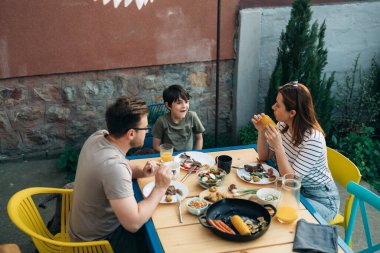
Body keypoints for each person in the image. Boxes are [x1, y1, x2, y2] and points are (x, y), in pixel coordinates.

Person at [68, 97, 172, 253]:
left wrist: (142, 172)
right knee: (160, 237)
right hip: (96, 243)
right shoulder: (114, 167)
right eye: (145, 128)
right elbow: (133, 223)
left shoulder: (99, 137)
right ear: (131, 133)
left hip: (84, 226)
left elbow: (122, 163)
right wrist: (160, 187)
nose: (148, 131)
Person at [252, 81, 340, 222]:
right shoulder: (282, 125)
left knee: (277, 213)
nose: (273, 107)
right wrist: (262, 131)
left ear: (292, 112)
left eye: (278, 105)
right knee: (259, 203)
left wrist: (279, 146)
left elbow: (291, 181)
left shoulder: (313, 140)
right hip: (293, 192)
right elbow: (264, 156)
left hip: (320, 200)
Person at [152, 84, 205, 152]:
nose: (184, 106)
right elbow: (156, 146)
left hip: (188, 158)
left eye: (186, 102)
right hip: (170, 159)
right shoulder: (162, 121)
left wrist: (196, 154)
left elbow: (199, 139)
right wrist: (169, 156)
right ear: (168, 105)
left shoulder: (192, 116)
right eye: (179, 103)